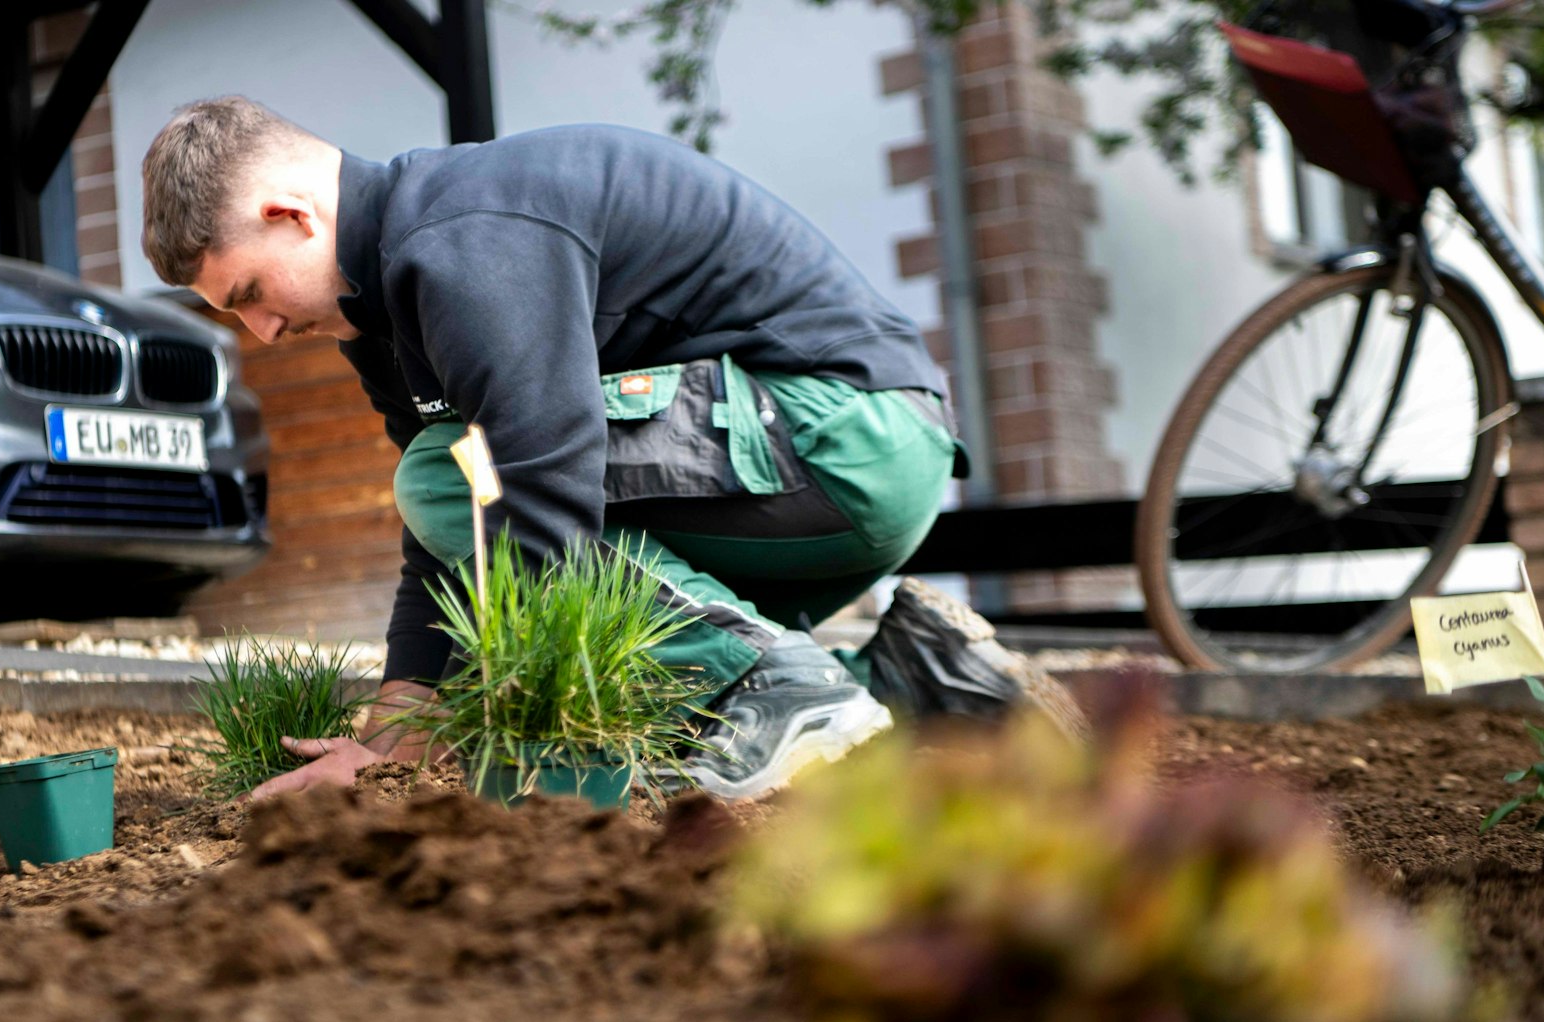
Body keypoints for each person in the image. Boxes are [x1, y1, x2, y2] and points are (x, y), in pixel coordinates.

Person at [140, 97, 1074, 801]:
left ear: (291, 215)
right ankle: (929, 686)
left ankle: (779, 687)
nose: (260, 332)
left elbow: (530, 471)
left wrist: (508, 714)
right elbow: (448, 532)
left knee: (459, 474)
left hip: (848, 437)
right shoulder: (383, 316)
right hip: (792, 475)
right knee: (464, 493)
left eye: (252, 291)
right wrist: (400, 722)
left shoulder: (461, 239)